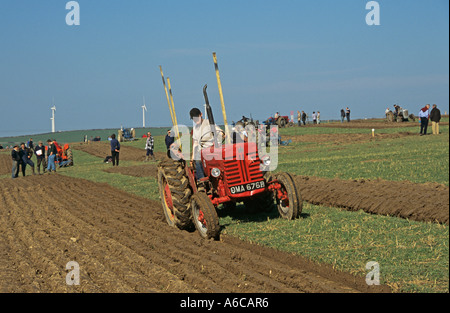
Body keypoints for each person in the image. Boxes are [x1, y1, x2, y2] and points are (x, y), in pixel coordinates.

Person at [190, 107, 224, 180]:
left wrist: (222, 134)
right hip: (203, 151)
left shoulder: (209, 123)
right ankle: (202, 181)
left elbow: (219, 131)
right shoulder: (195, 129)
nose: (196, 121)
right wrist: (192, 158)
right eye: (194, 119)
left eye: (197, 118)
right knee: (198, 159)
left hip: (213, 148)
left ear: (201, 114)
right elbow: (195, 143)